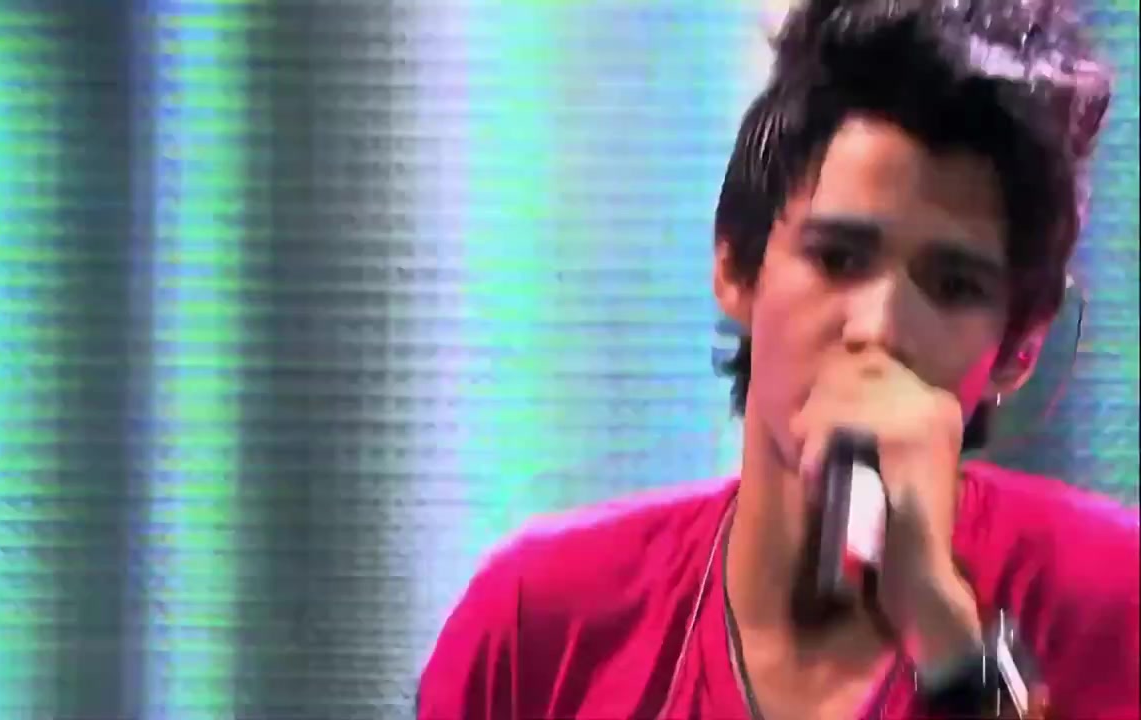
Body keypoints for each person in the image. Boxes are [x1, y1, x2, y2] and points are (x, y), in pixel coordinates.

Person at [417, 0, 1139, 718]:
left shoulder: (1114, 603)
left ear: (1019, 347)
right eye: (838, 258)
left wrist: (939, 619)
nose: (879, 328)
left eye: (953, 286)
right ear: (736, 265)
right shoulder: (539, 627)